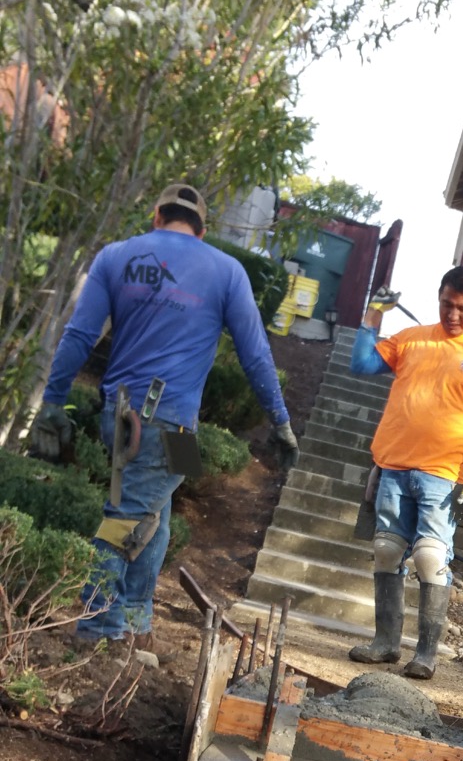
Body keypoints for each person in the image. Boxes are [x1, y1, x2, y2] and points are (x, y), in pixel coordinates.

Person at [32, 181, 297, 662]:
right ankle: (98, 628)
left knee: (161, 514)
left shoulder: (117, 256)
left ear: (157, 216)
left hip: (127, 415)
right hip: (169, 425)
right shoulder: (227, 270)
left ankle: (136, 621)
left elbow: (80, 335)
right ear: (202, 230)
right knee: (126, 518)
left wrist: (52, 401)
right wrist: (279, 421)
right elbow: (256, 355)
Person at [347, 265, 463, 679]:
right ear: (438, 298)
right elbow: (361, 364)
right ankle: (385, 644)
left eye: (462, 308)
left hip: (444, 474)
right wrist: (372, 315)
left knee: (430, 557)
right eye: (445, 305)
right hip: (393, 466)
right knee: (386, 550)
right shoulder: (411, 339)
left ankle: (425, 655)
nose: (452, 314)